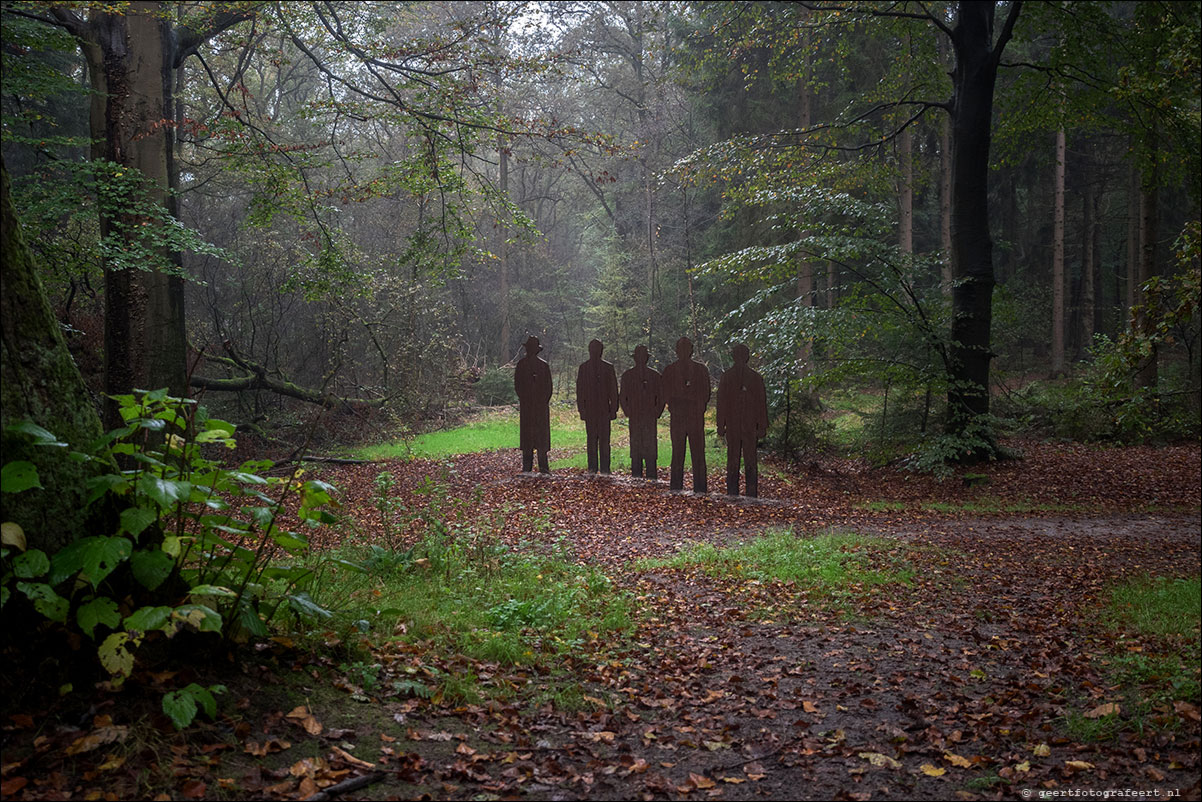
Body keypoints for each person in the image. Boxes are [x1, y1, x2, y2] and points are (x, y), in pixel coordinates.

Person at [716, 343, 768, 497]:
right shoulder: (728, 377)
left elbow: (760, 403)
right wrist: (721, 424)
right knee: (735, 458)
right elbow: (722, 403)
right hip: (735, 425)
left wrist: (762, 425)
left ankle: (749, 491)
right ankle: (734, 491)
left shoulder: (755, 378)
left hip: (748, 425)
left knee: (749, 458)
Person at [662, 336, 711, 493]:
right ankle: (676, 486)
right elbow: (665, 392)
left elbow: (706, 393)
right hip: (677, 417)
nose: (683, 351)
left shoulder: (701, 370)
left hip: (695, 417)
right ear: (676, 351)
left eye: (686, 348)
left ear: (691, 350)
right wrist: (675, 404)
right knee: (677, 452)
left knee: (698, 452)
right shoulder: (669, 370)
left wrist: (697, 406)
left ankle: (701, 487)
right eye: (680, 348)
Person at [619, 344, 665, 479]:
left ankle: (651, 473)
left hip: (650, 415)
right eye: (638, 356)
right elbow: (622, 396)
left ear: (647, 358)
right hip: (635, 415)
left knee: (650, 443)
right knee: (636, 443)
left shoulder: (655, 376)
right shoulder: (627, 376)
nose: (640, 359)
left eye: (643, 356)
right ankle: (636, 474)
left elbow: (661, 396)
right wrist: (628, 411)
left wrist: (657, 412)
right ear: (635, 358)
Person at [576, 339, 619, 474]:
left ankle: (605, 468)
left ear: (601, 351)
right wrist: (581, 410)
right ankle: (592, 468)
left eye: (597, 349)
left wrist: (613, 409)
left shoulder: (608, 368)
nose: (595, 352)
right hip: (590, 409)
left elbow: (613, 390)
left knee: (604, 440)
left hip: (603, 409)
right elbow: (580, 391)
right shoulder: (584, 368)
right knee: (592, 440)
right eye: (593, 349)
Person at [514, 335, 552, 473]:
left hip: (534, 407)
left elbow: (548, 388)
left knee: (535, 439)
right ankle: (535, 468)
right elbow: (518, 386)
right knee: (531, 440)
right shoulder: (529, 365)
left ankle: (536, 468)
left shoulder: (539, 365)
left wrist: (536, 401)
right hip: (532, 407)